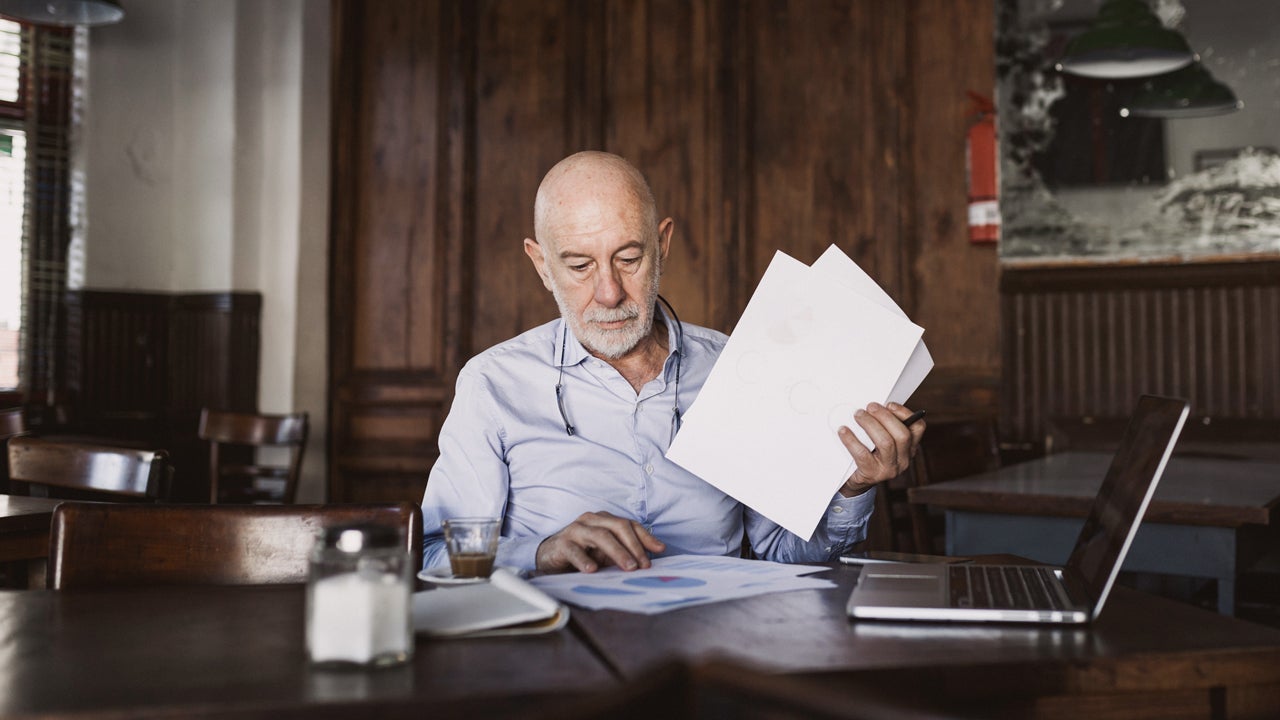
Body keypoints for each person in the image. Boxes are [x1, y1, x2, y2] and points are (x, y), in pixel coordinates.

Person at [420, 151, 925, 574]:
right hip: (563, 660)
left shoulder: (738, 366)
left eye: (629, 258)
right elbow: (432, 553)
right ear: (542, 265)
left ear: (662, 245)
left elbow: (787, 557)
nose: (609, 292)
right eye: (578, 265)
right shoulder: (492, 383)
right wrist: (540, 552)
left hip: (714, 652)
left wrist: (851, 488)